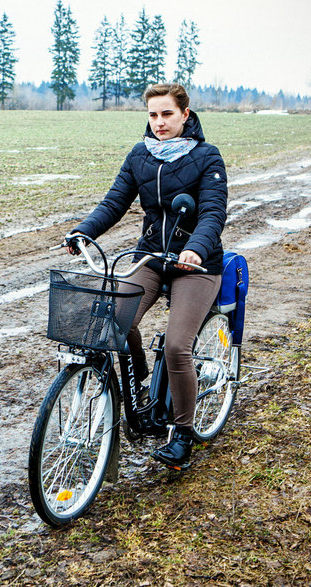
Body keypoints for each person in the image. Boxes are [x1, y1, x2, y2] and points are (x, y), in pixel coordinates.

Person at [65, 83, 227, 471]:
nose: (159, 122)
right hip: (152, 258)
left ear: (185, 115)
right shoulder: (140, 155)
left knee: (176, 347)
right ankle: (139, 385)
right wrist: (84, 230)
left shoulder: (207, 157)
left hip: (197, 265)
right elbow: (114, 201)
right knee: (113, 321)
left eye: (167, 114)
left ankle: (183, 434)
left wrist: (196, 248)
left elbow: (212, 213)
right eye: (153, 115)